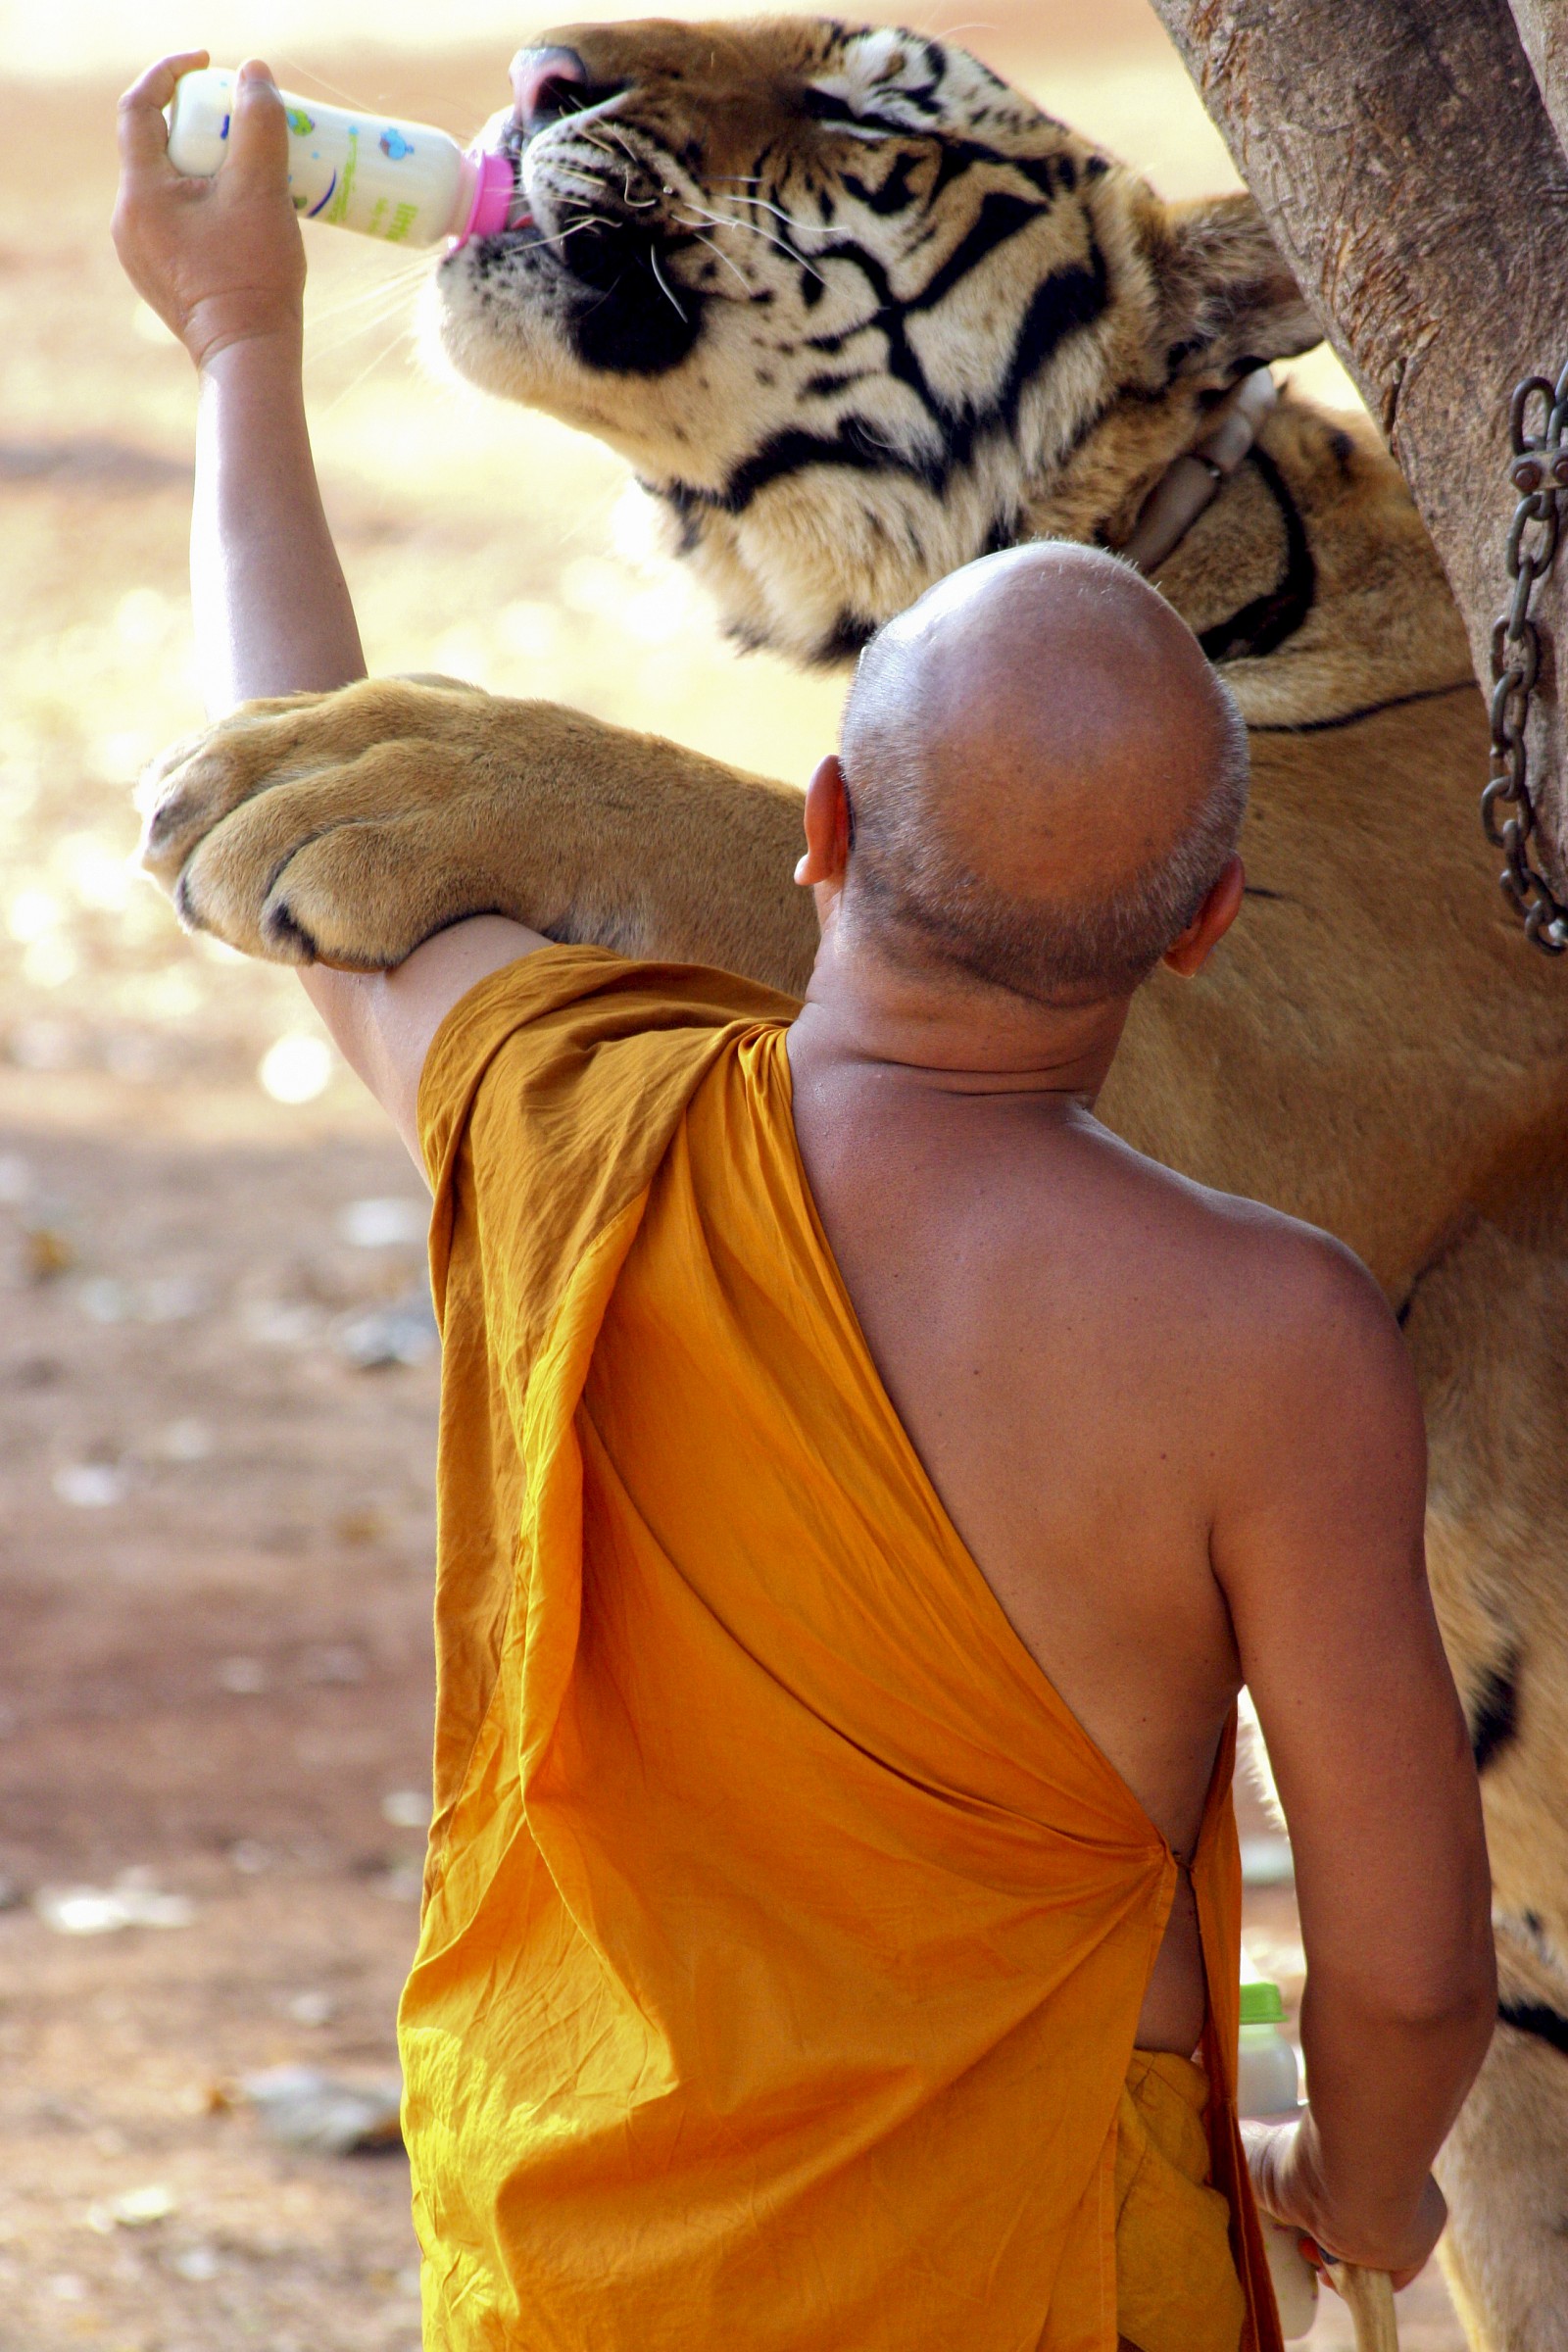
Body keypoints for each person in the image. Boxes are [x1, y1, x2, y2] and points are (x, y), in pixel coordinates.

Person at [113, 53, 1496, 2352]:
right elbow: (1411, 1964)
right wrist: (1351, 2188)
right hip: (1061, 2273)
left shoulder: (579, 1117)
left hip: (599, 2270)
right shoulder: (1270, 1339)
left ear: (818, 832)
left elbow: (306, 819)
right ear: (1205, 928)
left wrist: (243, 352)